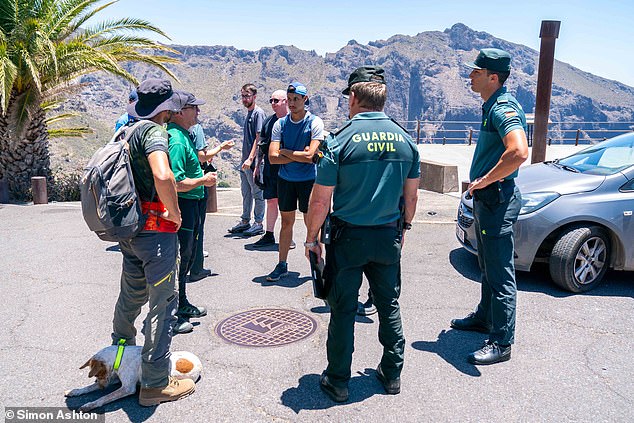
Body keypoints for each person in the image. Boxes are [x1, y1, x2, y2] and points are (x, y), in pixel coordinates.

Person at [304, 66, 420, 402]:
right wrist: (405, 227)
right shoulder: (405, 140)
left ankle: (338, 380)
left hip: (348, 238)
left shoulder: (338, 141)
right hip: (388, 236)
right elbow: (411, 198)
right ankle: (392, 373)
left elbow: (321, 199)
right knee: (389, 304)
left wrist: (312, 239)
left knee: (343, 310)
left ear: (354, 97)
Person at [111, 78, 195, 406]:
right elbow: (163, 175)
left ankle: (117, 359)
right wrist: (174, 213)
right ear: (166, 108)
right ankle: (155, 382)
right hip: (155, 233)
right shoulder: (154, 132)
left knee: (130, 297)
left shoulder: (127, 130)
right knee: (163, 301)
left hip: (129, 231)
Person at [450, 48, 528, 365]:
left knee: (500, 274)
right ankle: (485, 317)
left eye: (476, 72)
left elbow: (519, 151)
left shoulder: (502, 107)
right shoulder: (491, 105)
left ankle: (501, 342)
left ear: (492, 77)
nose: (470, 76)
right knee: (487, 265)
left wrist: (485, 180)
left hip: (497, 199)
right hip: (489, 199)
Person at [167, 91, 217, 334]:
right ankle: (173, 310)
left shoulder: (184, 135)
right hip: (184, 206)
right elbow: (175, 182)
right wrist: (203, 181)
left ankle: (182, 302)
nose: (197, 112)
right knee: (180, 257)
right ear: (179, 112)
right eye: (193, 108)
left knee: (186, 255)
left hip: (191, 205)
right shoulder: (176, 140)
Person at [267, 82, 324, 281]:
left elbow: (311, 156)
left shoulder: (314, 122)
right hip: (286, 180)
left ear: (305, 100)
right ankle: (282, 264)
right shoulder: (280, 124)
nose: (291, 103)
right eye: (289, 99)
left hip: (309, 180)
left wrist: (285, 151)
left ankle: (317, 266)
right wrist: (300, 154)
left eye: (296, 99)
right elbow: (272, 157)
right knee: (286, 223)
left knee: (312, 225)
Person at [188, 124, 234, 281]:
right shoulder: (196, 128)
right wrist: (221, 147)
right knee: (197, 227)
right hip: (196, 185)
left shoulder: (171, 129)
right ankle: (196, 267)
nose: (198, 111)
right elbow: (203, 156)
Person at [228, 84, 266, 237]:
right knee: (246, 193)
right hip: (244, 162)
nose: (245, 99)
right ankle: (245, 221)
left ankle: (258, 223)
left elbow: (259, 138)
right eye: (243, 96)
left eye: (247, 96)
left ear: (254, 96)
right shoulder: (249, 113)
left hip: (253, 162)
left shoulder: (258, 113)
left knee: (257, 193)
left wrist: (251, 159)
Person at [252, 89, 287, 248]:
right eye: (271, 100)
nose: (273, 104)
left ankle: (287, 235)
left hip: (288, 169)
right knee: (271, 201)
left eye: (276, 100)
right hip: (271, 169)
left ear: (285, 101)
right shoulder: (268, 122)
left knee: (286, 204)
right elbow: (262, 145)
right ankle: (269, 234)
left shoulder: (292, 121)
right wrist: (257, 167)